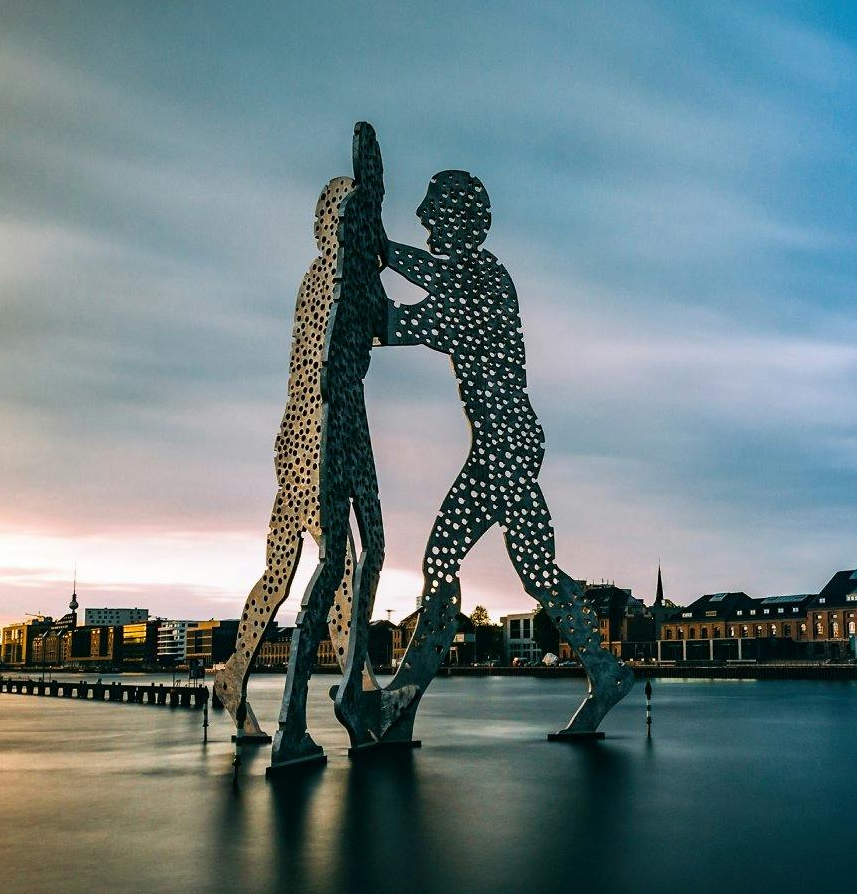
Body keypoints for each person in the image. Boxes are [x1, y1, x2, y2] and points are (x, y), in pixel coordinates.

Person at [342, 169, 633, 745]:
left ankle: (401, 704)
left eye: (432, 211)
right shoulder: (475, 278)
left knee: (442, 562)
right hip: (508, 442)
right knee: (538, 572)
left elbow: (402, 322)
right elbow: (425, 287)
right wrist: (377, 251)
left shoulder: (482, 285)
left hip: (504, 446)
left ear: (459, 221)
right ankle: (606, 672)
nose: (423, 219)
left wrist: (369, 257)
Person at [213, 124, 388, 770]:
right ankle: (302, 709)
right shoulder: (325, 282)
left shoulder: (350, 280)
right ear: (330, 227)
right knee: (314, 563)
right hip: (314, 432)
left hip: (342, 427)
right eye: (346, 220)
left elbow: (383, 329)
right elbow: (317, 370)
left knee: (327, 562)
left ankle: (346, 687)